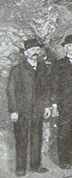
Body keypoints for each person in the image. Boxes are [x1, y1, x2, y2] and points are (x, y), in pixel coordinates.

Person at [7, 38, 51, 176]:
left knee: (36, 139)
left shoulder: (43, 68)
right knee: (21, 140)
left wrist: (47, 107)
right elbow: (11, 90)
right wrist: (13, 110)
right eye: (32, 50)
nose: (35, 52)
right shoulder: (17, 70)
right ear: (26, 53)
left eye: (37, 50)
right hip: (22, 111)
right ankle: (20, 168)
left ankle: (35, 165)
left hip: (37, 110)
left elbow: (47, 89)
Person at [51, 34, 72, 169]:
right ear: (65, 49)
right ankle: (64, 160)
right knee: (65, 133)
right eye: (68, 46)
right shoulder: (59, 65)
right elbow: (53, 85)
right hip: (65, 105)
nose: (71, 48)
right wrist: (54, 104)